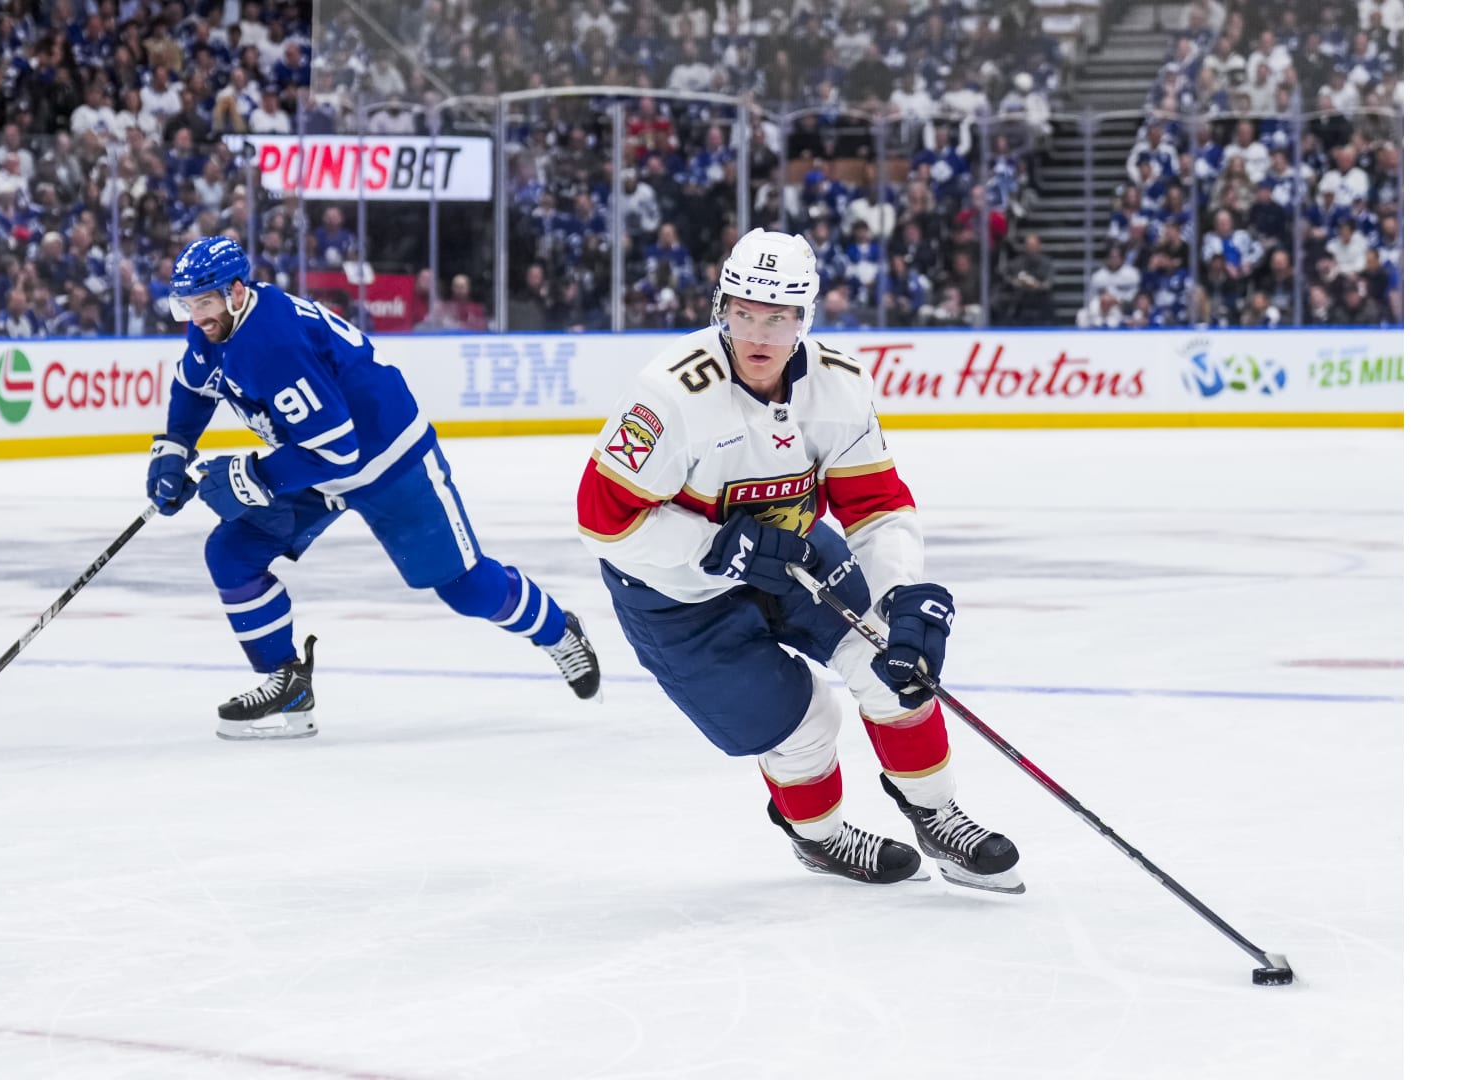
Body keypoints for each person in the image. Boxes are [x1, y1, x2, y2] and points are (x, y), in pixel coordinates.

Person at [575, 228, 1023, 891]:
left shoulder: (839, 385)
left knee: (892, 661)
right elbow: (602, 518)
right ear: (721, 309)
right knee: (806, 720)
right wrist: (711, 547)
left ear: (804, 319)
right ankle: (819, 837)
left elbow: (876, 503)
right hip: (677, 594)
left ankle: (936, 814)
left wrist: (901, 594)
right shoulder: (669, 396)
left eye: (778, 318)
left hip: (794, 555)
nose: (758, 335)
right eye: (744, 314)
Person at [147, 237, 602, 740]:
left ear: (236, 292)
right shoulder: (216, 326)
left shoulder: (273, 344)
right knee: (232, 554)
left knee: (465, 588)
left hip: (388, 460)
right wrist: (175, 446)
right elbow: (195, 385)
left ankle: (557, 630)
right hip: (314, 461)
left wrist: (252, 477)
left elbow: (339, 449)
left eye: (204, 303)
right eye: (187, 306)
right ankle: (288, 684)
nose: (196, 317)